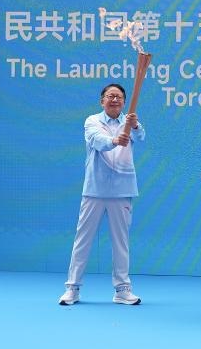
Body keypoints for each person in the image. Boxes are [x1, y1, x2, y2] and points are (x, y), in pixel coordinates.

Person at [59, 83, 146, 306]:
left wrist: (134, 126)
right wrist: (114, 140)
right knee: (83, 240)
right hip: (95, 189)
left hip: (122, 189)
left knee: (121, 242)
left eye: (118, 97)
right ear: (102, 101)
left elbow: (141, 137)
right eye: (110, 96)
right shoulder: (92, 121)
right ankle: (72, 288)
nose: (114, 99)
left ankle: (122, 290)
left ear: (124, 102)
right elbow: (97, 140)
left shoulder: (130, 121)